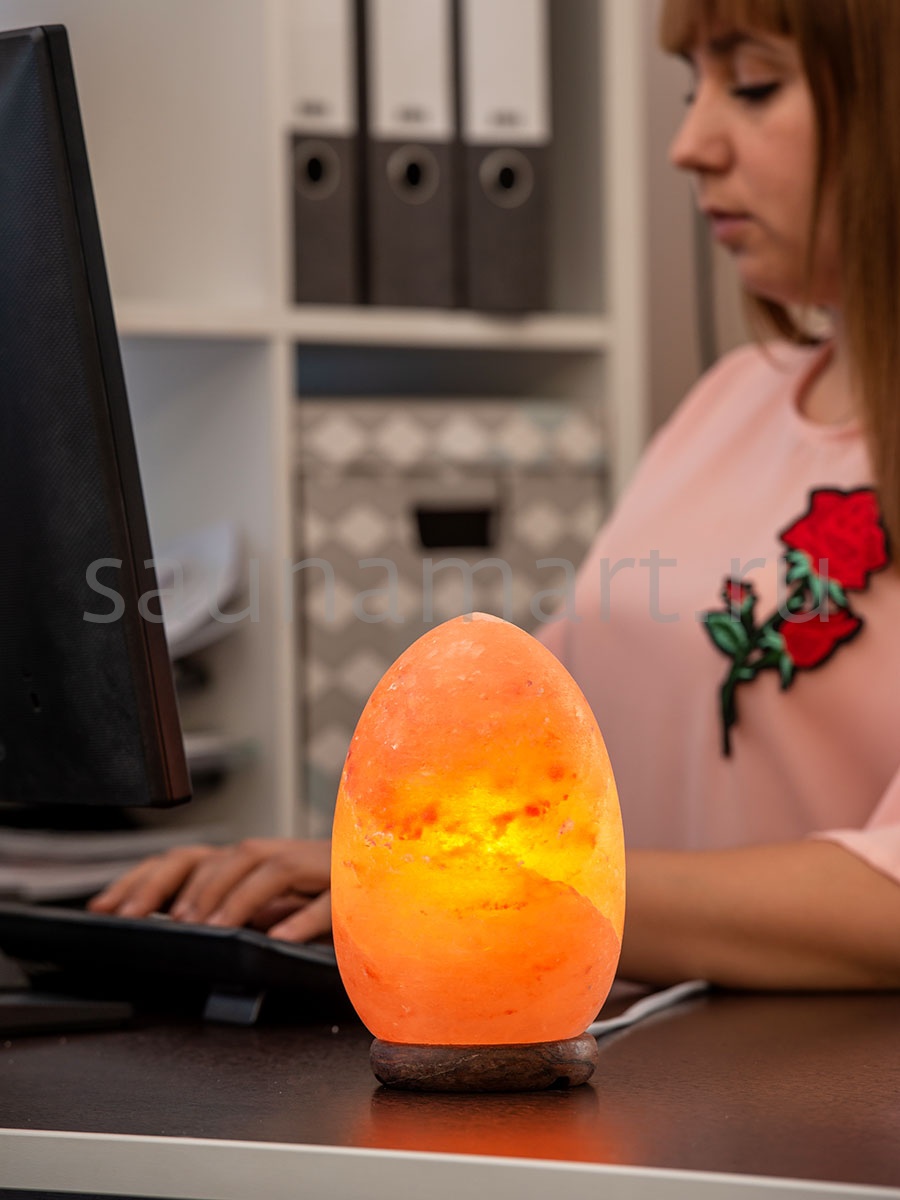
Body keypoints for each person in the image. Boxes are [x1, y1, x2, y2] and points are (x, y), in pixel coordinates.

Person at [91, 0, 900, 990]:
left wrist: (468, 887)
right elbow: (540, 748)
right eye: (694, 90)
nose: (690, 145)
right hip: (634, 1039)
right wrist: (349, 865)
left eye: (756, 86)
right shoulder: (733, 401)